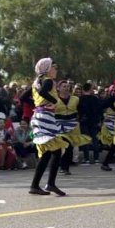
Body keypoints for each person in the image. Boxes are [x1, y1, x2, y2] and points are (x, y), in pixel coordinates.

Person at [29, 58, 69, 196]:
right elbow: (42, 93)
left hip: (42, 117)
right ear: (47, 69)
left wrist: (39, 105)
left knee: (49, 153)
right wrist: (54, 100)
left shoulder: (37, 82)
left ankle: (38, 185)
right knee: (55, 151)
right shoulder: (48, 81)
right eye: (54, 67)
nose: (56, 69)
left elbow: (24, 97)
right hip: (45, 118)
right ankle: (48, 184)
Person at [54, 80, 90, 176]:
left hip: (72, 125)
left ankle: (66, 168)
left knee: (70, 147)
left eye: (67, 86)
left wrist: (80, 118)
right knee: (62, 146)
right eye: (63, 86)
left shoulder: (75, 99)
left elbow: (82, 109)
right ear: (58, 88)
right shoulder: (54, 99)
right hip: (59, 125)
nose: (66, 88)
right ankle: (61, 166)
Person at [78, 82, 103, 165]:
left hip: (84, 121)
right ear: (89, 89)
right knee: (95, 140)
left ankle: (87, 159)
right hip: (94, 121)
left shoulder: (80, 99)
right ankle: (96, 159)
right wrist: (100, 120)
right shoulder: (95, 99)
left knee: (85, 140)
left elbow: (79, 111)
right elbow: (100, 110)